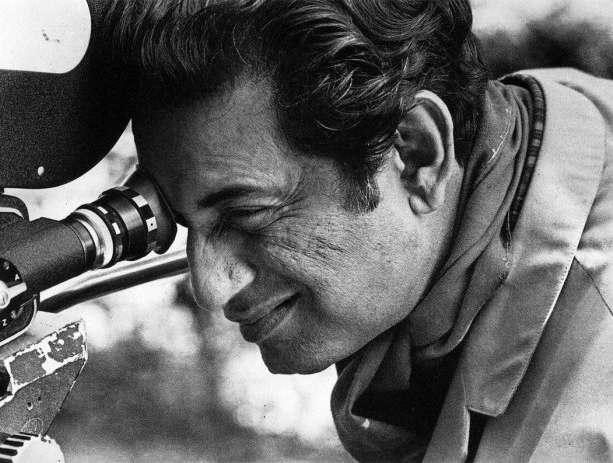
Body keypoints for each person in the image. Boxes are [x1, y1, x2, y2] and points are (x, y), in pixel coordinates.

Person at [113, 0, 613, 461]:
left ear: (415, 155)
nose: (209, 287)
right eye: (184, 222)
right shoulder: (537, 128)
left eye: (247, 214)